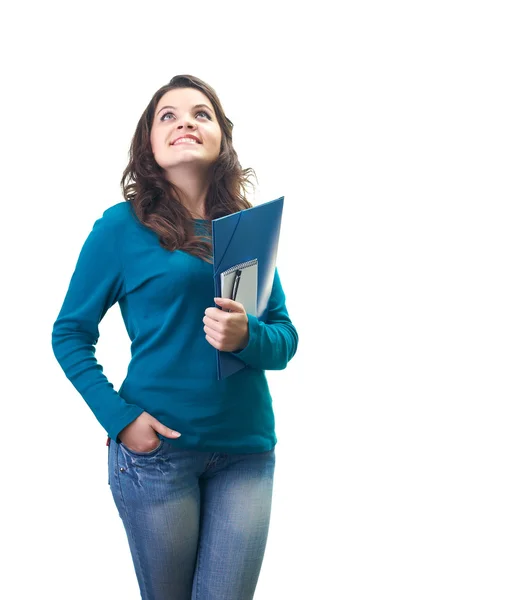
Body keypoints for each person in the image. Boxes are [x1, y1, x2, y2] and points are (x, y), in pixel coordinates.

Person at [51, 74, 298, 600]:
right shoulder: (121, 228)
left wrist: (245, 336)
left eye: (201, 113)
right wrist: (121, 420)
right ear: (149, 143)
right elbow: (70, 333)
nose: (186, 120)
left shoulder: (247, 231)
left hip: (245, 454)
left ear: (222, 140)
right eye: (169, 115)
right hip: (159, 454)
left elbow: (284, 338)